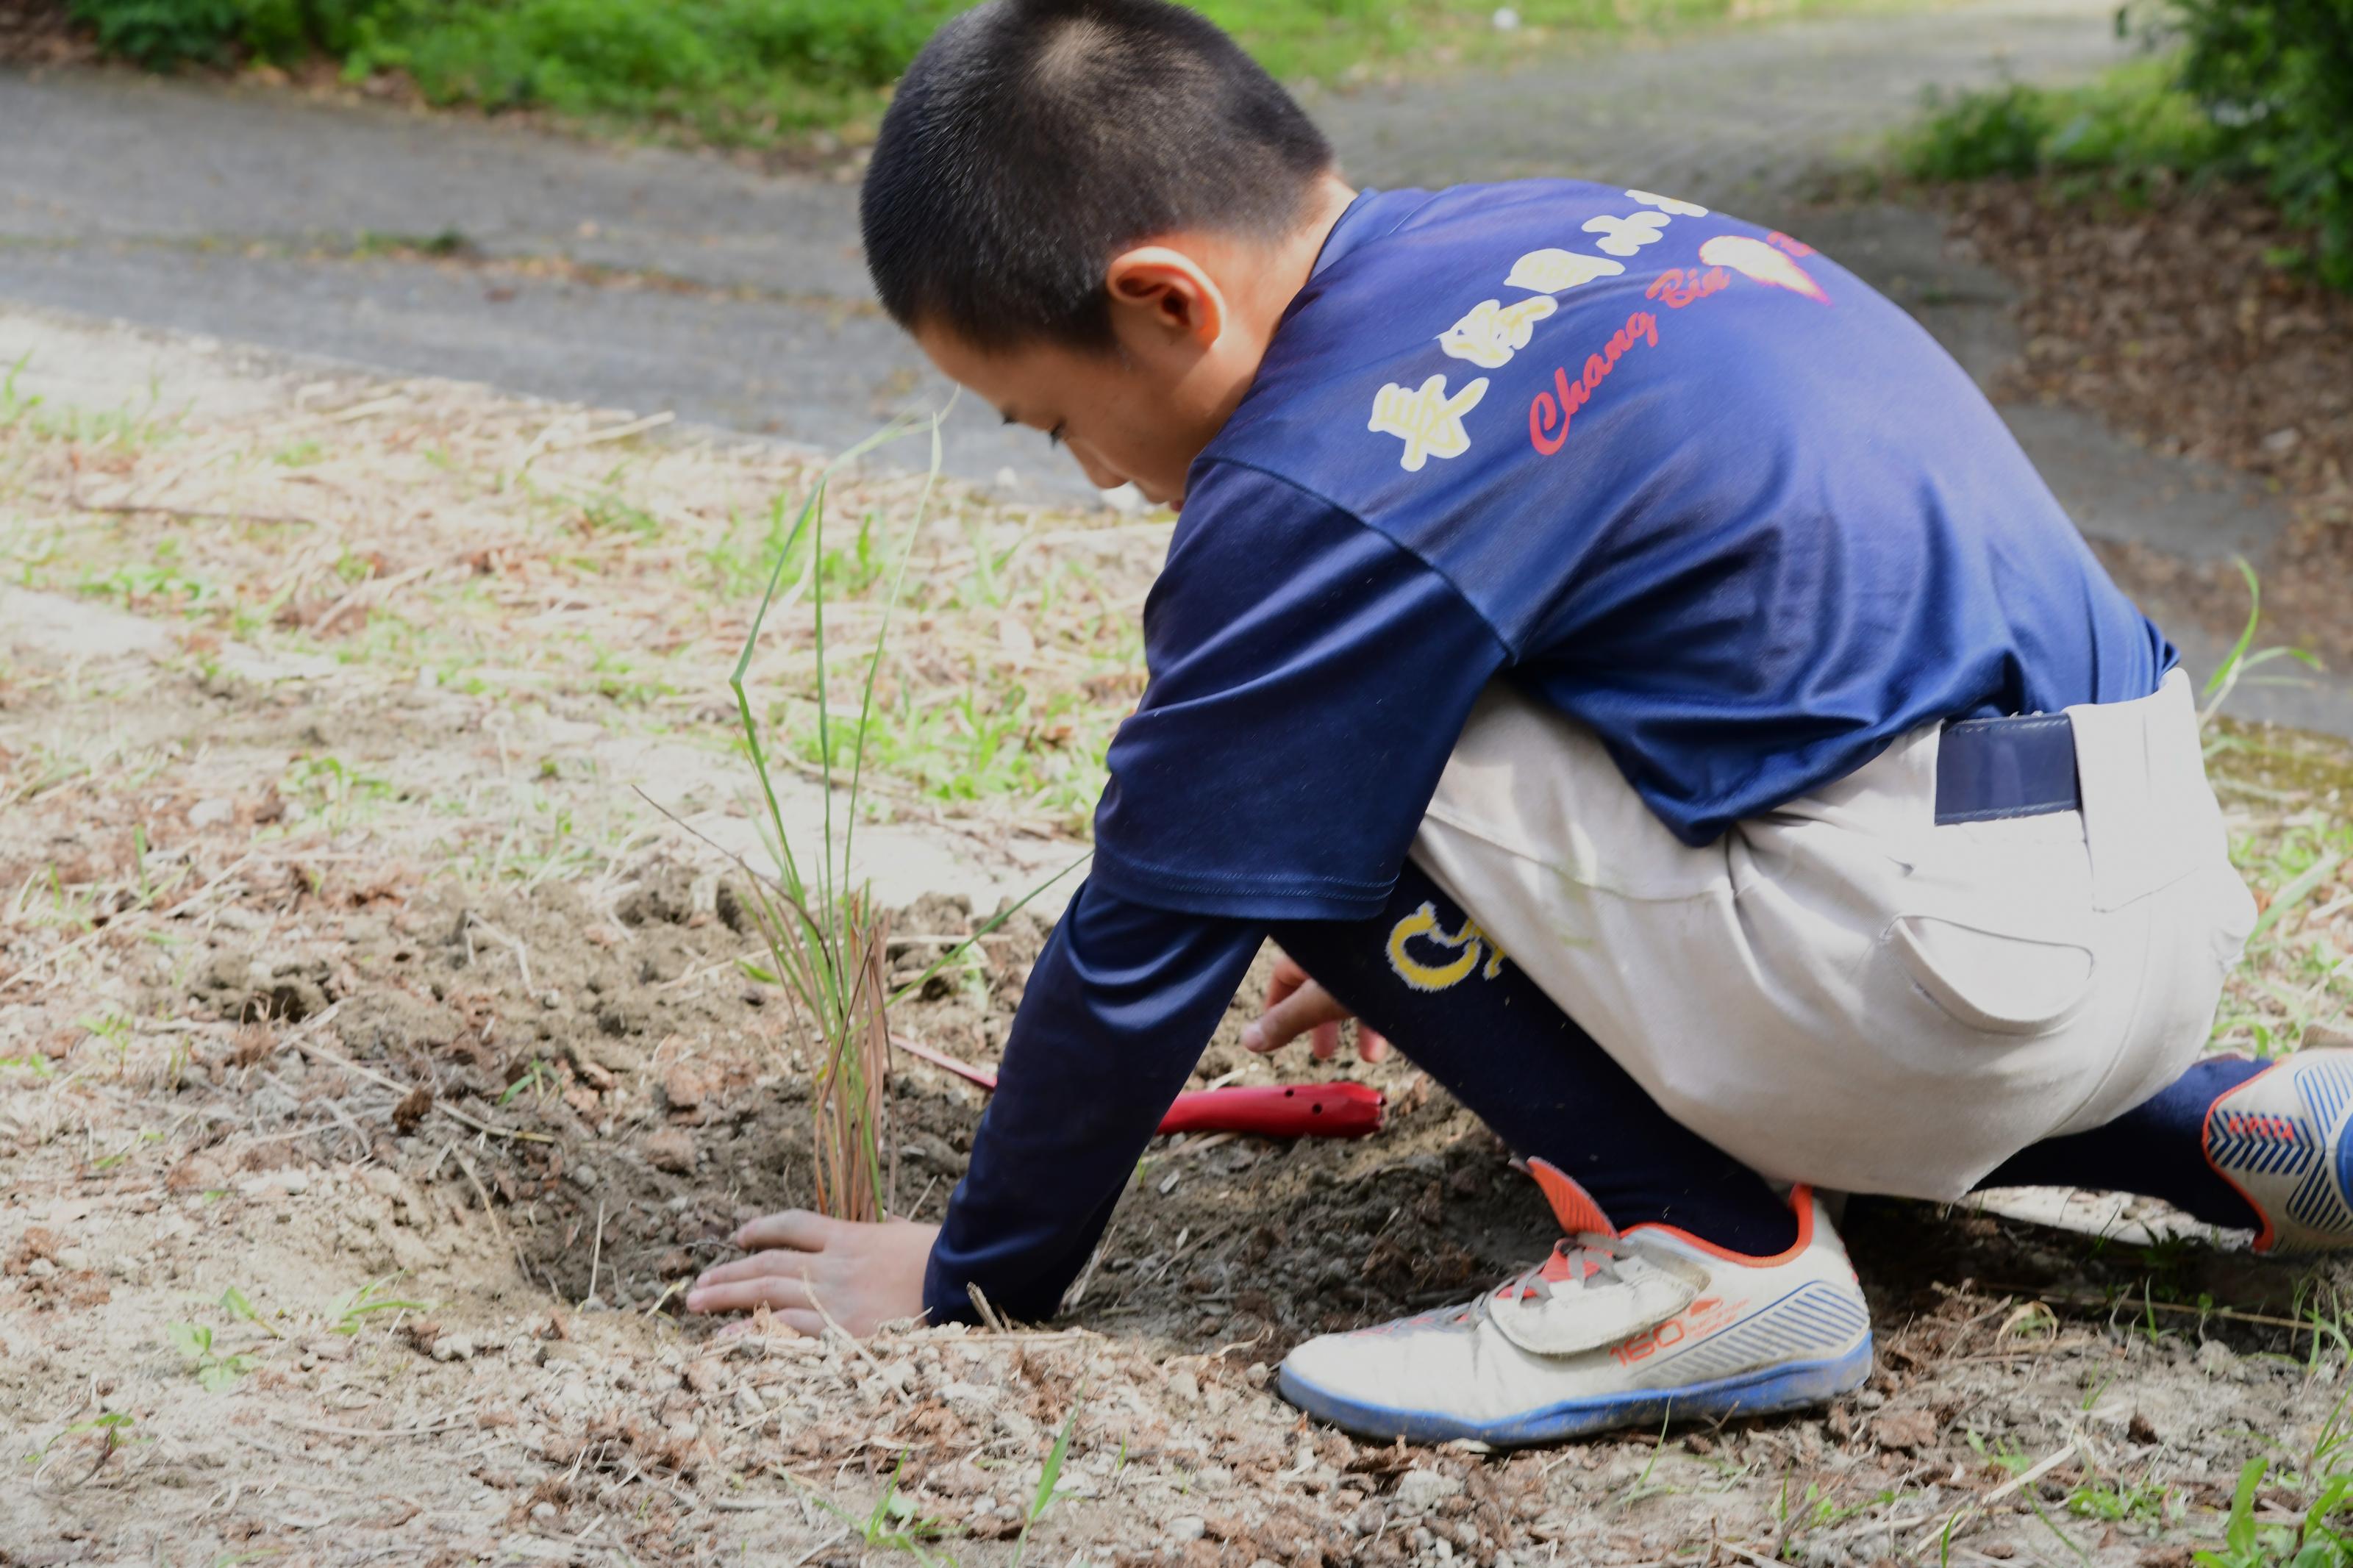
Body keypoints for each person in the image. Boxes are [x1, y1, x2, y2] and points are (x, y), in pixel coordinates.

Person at [679, 0, 2338, 1446]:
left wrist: (979, 1269)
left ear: (1164, 299)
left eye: (1054, 422)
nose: (1101, 470)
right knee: (1327, 734)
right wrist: (1503, 946)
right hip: (2147, 886)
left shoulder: (1300, 477)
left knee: (1264, 764)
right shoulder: (1568, 228)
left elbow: (1149, 919)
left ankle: (1707, 1251)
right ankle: (2217, 1129)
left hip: (1926, 981)